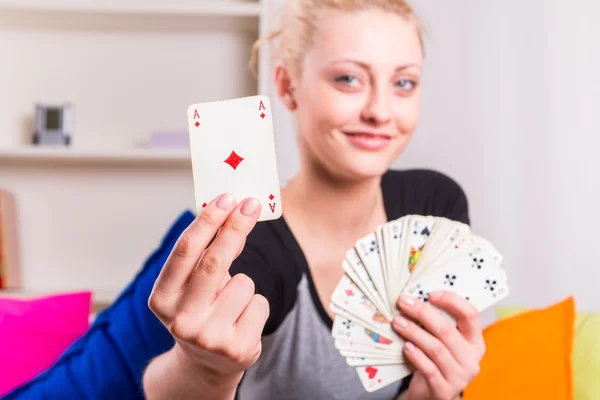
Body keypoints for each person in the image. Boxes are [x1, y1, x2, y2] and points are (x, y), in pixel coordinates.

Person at [142, 0, 486, 399]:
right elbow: (169, 386)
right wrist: (202, 368)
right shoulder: (252, 252)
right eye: (348, 79)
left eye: (403, 83)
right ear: (288, 87)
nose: (380, 111)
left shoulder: (436, 203)